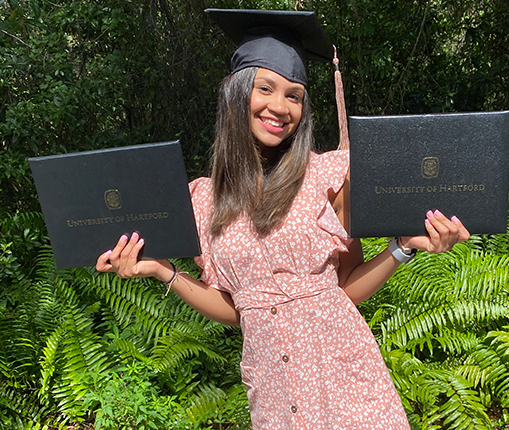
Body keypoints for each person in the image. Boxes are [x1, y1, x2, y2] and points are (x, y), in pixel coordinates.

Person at [96, 9, 470, 429]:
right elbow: (238, 308)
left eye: (294, 95)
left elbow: (345, 289)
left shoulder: (327, 180)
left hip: (346, 386)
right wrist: (164, 272)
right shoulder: (206, 200)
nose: (280, 106)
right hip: (274, 397)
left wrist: (402, 248)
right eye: (266, 88)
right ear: (238, 93)